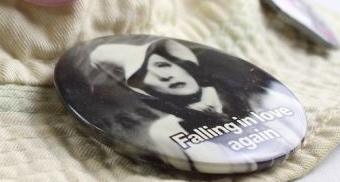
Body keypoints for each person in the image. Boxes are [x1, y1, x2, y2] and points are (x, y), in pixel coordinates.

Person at [85, 37, 303, 173]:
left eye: (162, 64)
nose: (163, 76)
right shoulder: (167, 131)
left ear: (179, 64)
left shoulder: (253, 94)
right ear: (145, 91)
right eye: (144, 76)